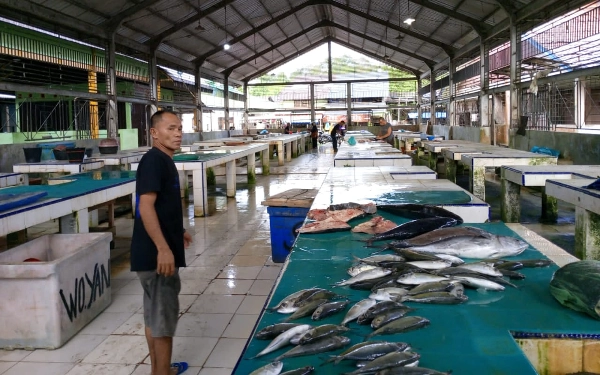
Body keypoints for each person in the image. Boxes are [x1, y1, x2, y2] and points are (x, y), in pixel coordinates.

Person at [131, 110, 192, 375]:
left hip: (150, 255)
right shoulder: (155, 160)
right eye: (170, 128)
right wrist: (164, 248)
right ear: (154, 133)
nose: (177, 133)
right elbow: (145, 206)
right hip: (157, 258)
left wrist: (177, 231)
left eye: (179, 128)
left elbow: (160, 206)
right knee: (164, 321)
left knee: (153, 318)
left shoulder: (163, 160)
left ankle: (161, 369)